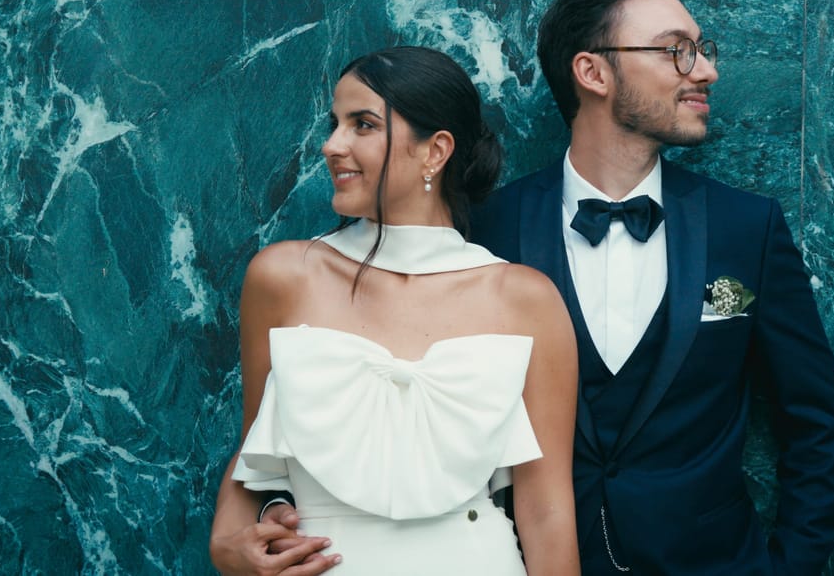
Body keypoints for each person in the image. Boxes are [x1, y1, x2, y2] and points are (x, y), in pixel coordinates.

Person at [468, 0, 834, 575]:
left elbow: (816, 421)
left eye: (702, 50)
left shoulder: (746, 227)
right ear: (592, 71)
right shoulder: (488, 230)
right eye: (676, 51)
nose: (706, 70)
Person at [209, 46, 581, 576]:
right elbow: (253, 453)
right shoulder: (283, 276)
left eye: (362, 125)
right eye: (335, 124)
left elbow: (547, 512)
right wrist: (225, 545)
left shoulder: (525, 298)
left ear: (435, 151)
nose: (331, 145)